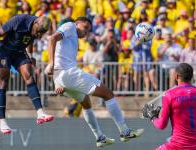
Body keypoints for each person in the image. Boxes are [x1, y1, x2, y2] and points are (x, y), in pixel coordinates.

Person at [45, 16, 144, 148]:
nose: (85, 32)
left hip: (62, 77)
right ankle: (125, 132)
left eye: (88, 30)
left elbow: (58, 51)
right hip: (68, 74)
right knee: (108, 94)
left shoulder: (72, 37)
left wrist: (58, 81)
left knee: (86, 103)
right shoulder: (70, 26)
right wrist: (51, 63)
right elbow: (52, 38)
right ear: (77, 23)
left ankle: (100, 137)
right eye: (85, 27)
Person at [0, 14, 54, 135]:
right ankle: (2, 122)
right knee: (4, 83)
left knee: (29, 76)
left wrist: (32, 56)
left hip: (19, 53)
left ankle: (40, 113)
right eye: (38, 32)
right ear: (35, 23)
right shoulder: (19, 20)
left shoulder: (37, 28)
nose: (38, 35)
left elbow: (30, 40)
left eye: (41, 33)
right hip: (5, 51)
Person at [142, 63, 196, 150]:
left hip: (177, 146)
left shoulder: (170, 95)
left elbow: (161, 125)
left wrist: (153, 117)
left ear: (177, 76)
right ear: (191, 76)